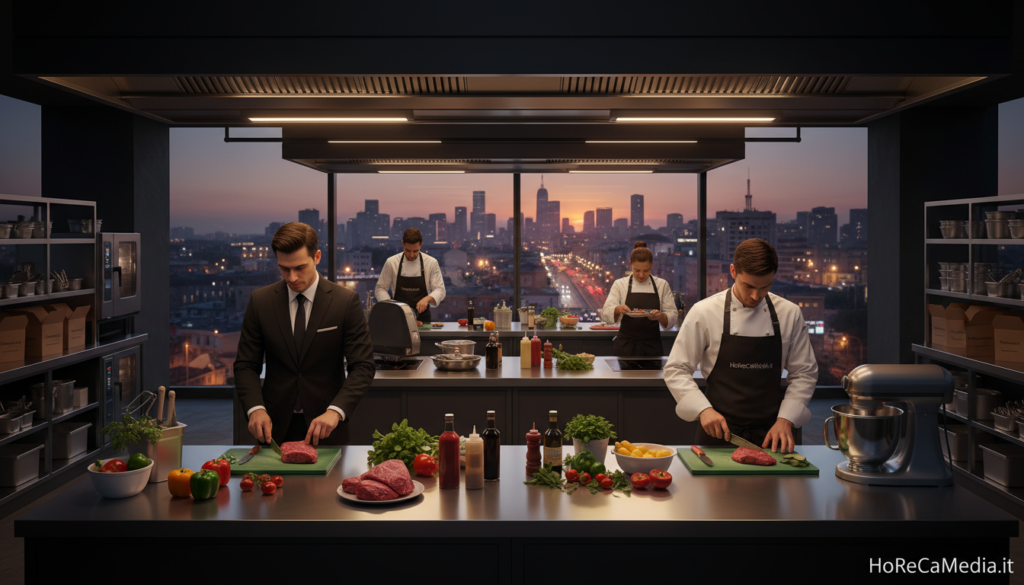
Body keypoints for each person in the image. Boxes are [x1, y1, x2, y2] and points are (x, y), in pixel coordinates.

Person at [664, 238, 818, 453]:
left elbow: (804, 372)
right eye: (749, 286)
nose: (756, 296)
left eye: (765, 287)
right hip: (718, 432)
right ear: (733, 271)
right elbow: (676, 369)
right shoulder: (704, 312)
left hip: (776, 432)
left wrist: (786, 419)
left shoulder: (789, 313)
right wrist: (703, 410)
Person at [235, 222, 376, 446]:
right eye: (284, 268)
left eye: (300, 268)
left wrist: (335, 411)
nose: (291, 278)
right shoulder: (260, 302)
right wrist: (255, 408)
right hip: (272, 427)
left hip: (328, 426)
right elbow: (245, 365)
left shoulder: (345, 302)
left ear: (317, 257)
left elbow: (363, 366)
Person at [601, 241, 678, 357]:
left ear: (652, 267)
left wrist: (661, 316)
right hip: (625, 346)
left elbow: (673, 315)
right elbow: (605, 313)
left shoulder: (662, 285)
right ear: (630, 264)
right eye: (637, 270)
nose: (641, 275)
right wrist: (617, 309)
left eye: (646, 270)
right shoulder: (620, 284)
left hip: (652, 346)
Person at [374, 228, 446, 323]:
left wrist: (427, 299)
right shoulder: (391, 262)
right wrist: (391, 305)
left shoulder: (431, 263)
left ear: (421, 245)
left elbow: (440, 290)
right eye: (408, 250)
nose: (411, 255)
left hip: (423, 321)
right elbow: (380, 288)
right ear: (402, 244)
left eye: (415, 251)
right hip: (397, 319)